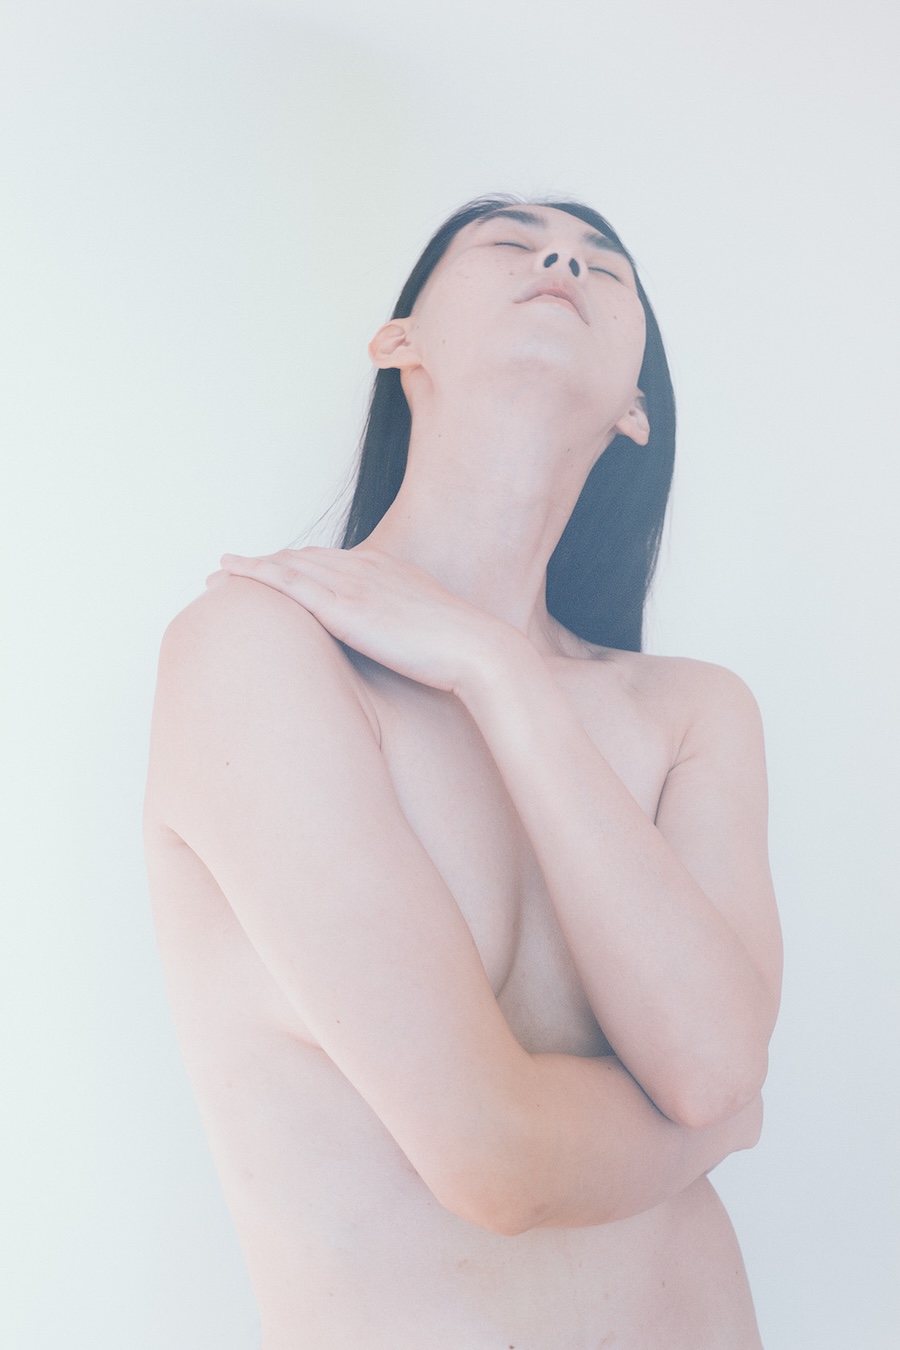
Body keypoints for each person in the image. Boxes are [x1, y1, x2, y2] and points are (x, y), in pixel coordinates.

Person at [144, 195, 782, 1348]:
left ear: (634, 408)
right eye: (510, 243)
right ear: (401, 343)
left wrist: (500, 671)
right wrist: (717, 1134)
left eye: (604, 266)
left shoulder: (693, 714)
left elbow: (711, 1064)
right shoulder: (257, 650)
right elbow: (495, 1161)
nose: (562, 258)